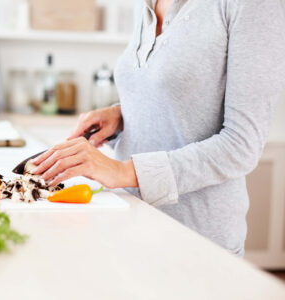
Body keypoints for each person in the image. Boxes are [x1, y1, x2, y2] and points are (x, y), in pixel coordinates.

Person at [31, 0, 285, 255]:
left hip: (196, 242)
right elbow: (176, 93)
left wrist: (123, 171)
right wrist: (120, 115)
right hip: (129, 222)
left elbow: (242, 145)